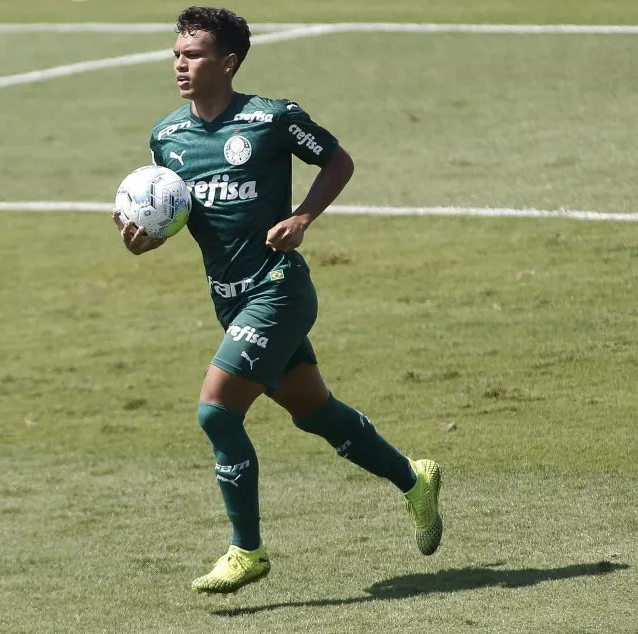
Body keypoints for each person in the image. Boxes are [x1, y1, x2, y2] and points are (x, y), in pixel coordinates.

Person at [113, 6, 443, 594]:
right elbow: (177, 217)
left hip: (279, 289)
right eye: (176, 54)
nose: (180, 65)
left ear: (229, 62)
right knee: (316, 413)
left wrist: (302, 218)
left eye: (193, 55)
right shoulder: (167, 139)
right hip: (230, 300)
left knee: (217, 410)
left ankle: (248, 551)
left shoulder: (271, 119)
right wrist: (144, 242)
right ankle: (414, 480)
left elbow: (337, 160)